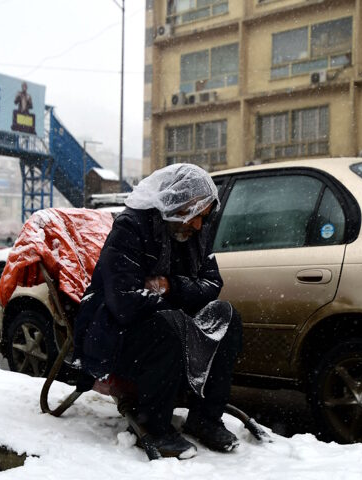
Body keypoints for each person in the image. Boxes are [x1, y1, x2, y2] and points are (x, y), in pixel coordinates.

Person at [73, 163, 243, 459]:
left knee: (227, 317)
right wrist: (181, 302)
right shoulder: (131, 227)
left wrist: (170, 286)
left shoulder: (196, 233)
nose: (199, 225)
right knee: (168, 325)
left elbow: (212, 284)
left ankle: (205, 418)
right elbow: (124, 302)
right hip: (114, 332)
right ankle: (154, 426)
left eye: (204, 217)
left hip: (161, 322)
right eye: (194, 214)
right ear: (175, 202)